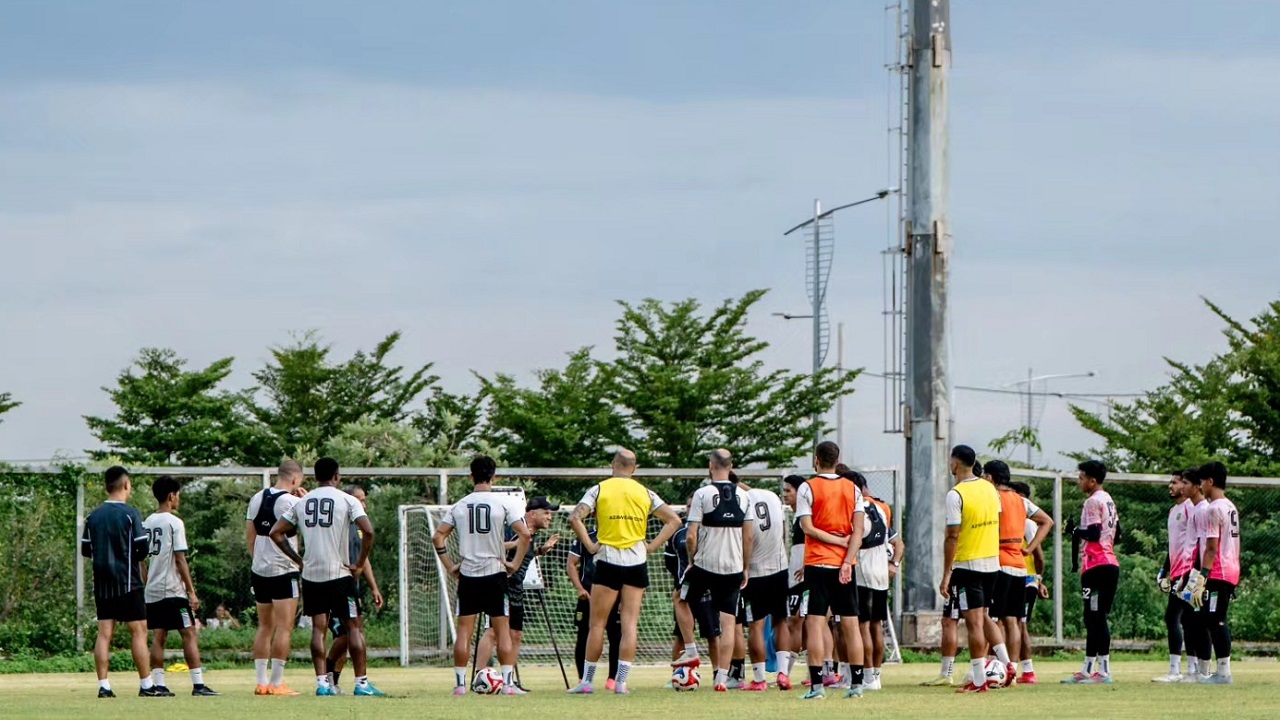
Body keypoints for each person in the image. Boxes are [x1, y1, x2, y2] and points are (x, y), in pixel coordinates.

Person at [567, 449, 682, 695]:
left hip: (608, 559)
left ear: (613, 464)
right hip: (636, 562)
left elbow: (575, 517)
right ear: (634, 468)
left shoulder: (600, 489)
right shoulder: (645, 492)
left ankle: (587, 682)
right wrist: (651, 546)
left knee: (596, 624)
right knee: (629, 624)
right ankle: (621, 683)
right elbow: (674, 520)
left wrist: (589, 545)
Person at [270, 457, 383, 697]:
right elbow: (369, 531)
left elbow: (276, 532)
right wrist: (359, 563)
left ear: (315, 476)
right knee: (353, 627)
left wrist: (299, 560)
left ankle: (322, 683)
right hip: (341, 572)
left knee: (318, 629)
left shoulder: (302, 502)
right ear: (337, 476)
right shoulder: (348, 500)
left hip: (312, 575)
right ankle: (362, 684)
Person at [432, 455, 531, 696]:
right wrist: (514, 564)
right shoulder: (504, 504)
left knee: (464, 630)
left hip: (468, 574)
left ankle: (459, 685)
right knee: (502, 629)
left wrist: (449, 565)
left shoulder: (460, 505)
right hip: (495, 573)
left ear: (471, 477)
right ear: (494, 477)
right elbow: (525, 535)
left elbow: (438, 537)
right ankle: (507, 684)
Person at [81, 466, 159, 698]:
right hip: (128, 582)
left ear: (106, 486)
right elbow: (142, 549)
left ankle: (104, 686)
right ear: (126, 485)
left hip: (103, 584)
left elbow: (86, 549)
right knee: (139, 631)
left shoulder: (93, 516)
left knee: (104, 633)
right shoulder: (130, 513)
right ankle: (146, 685)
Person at [796, 441, 865, 700]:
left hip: (818, 562)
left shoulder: (808, 487)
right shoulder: (852, 488)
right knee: (850, 624)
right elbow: (857, 531)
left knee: (815, 622)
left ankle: (816, 687)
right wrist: (847, 559)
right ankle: (857, 685)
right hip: (845, 565)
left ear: (816, 460)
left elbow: (808, 528)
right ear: (837, 459)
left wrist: (834, 543)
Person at [681, 450, 753, 692]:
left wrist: (692, 559)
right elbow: (748, 536)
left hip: (704, 565)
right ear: (731, 466)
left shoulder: (702, 494)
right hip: (733, 568)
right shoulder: (744, 496)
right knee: (729, 621)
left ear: (711, 465)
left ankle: (691, 651)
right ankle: (722, 679)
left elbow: (691, 535)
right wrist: (745, 567)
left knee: (680, 600)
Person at [475, 496, 561, 691]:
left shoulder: (532, 535)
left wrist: (540, 550)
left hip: (516, 588)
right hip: (500, 586)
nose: (550, 517)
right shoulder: (515, 530)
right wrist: (514, 545)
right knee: (493, 632)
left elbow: (523, 554)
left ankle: (509, 681)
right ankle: (479, 677)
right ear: (532, 513)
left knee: (516, 634)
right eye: (546, 513)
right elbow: (491, 548)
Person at [142, 476, 218, 696]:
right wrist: (191, 591)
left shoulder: (147, 522)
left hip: (153, 590)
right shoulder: (175, 523)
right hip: (173, 590)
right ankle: (198, 684)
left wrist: (148, 582)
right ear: (171, 496)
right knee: (189, 633)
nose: (179, 500)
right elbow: (180, 558)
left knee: (159, 636)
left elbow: (139, 560)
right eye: (178, 495)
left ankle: (159, 684)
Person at [939, 445, 1001, 694]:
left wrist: (946, 574)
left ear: (955, 464)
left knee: (973, 624)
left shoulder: (956, 494)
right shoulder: (989, 488)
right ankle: (1001, 666)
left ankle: (978, 680)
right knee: (983, 618)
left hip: (968, 564)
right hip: (992, 563)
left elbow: (952, 536)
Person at [985, 460, 1052, 686]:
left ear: (991, 478)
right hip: (1019, 564)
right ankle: (1011, 670)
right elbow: (1047, 521)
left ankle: (987, 664)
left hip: (998, 561)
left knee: (990, 617)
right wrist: (1029, 549)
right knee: (1013, 619)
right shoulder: (1021, 501)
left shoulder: (993, 498)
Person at [245, 460, 306, 695]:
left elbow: (250, 534)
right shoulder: (292, 502)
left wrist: (256, 560)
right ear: (294, 480)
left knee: (264, 626)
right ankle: (277, 682)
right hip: (284, 570)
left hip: (259, 570)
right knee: (284, 627)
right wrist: (305, 499)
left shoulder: (257, 497)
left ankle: (261, 682)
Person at [1062, 460, 1120, 685]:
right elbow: (1118, 534)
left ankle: (1103, 671)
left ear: (1092, 481)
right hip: (1105, 564)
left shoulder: (1093, 502)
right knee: (1092, 617)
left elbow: (1094, 533)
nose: (1080, 482)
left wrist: (1075, 530)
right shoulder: (1109, 500)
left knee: (1097, 617)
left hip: (1098, 565)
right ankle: (1087, 669)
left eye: (1082, 478)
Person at [845, 470, 904, 692]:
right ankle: (876, 675)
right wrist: (894, 564)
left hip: (864, 573)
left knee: (862, 626)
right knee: (876, 626)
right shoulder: (879, 508)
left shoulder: (857, 510)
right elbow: (898, 542)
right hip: (880, 573)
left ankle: (868, 675)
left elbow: (856, 539)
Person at [325, 486, 385, 694]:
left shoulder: (358, 526)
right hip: (334, 585)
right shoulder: (337, 523)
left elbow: (363, 559)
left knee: (351, 635)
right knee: (344, 636)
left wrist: (374, 587)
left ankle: (333, 681)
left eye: (364, 500)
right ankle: (328, 676)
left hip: (352, 588)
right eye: (360, 500)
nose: (364, 504)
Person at [734, 473, 790, 692]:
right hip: (779, 567)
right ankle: (783, 673)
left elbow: (746, 538)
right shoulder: (771, 497)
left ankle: (759, 679)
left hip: (755, 571)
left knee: (756, 625)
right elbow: (784, 532)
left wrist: (744, 566)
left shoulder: (741, 502)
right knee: (781, 621)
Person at [1194, 461, 1240, 685]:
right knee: (1210, 618)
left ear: (1210, 482)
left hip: (1218, 571)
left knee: (1215, 620)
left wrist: (1201, 577)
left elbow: (1211, 547)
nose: (1200, 486)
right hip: (1231, 569)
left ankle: (1223, 673)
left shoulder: (1213, 509)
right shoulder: (1230, 506)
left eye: (1202, 481)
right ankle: (1219, 671)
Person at [1152, 470, 1198, 683]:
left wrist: (1193, 572)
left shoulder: (1191, 508)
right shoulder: (1173, 511)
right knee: (1178, 618)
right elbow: (1174, 545)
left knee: (1181, 618)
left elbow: (1195, 541)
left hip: (1188, 571)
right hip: (1177, 571)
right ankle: (1186, 669)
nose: (1170, 486)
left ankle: (1182, 669)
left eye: (1175, 482)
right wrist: (1164, 570)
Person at [569, 528, 622, 688]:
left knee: (616, 636)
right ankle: (583, 678)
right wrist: (579, 588)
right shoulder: (585, 536)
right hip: (589, 594)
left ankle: (613, 679)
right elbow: (571, 563)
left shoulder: (619, 534)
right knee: (584, 635)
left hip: (614, 593)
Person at [1009, 481, 1049, 684]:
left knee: (1019, 624)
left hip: (1025, 579)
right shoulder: (1015, 521)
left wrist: (1038, 580)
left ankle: (1025, 670)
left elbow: (1040, 557)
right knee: (1014, 622)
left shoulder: (1028, 523)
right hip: (1018, 577)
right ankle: (1018, 669)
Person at [1182, 468, 1213, 681]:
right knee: (1188, 619)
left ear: (1196, 486)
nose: (1182, 487)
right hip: (1189, 570)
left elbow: (1204, 545)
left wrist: (1196, 576)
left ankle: (1204, 668)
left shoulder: (1203, 510)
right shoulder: (1193, 509)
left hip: (1197, 572)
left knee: (1197, 620)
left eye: (1186, 482)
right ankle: (1195, 668)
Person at [778, 475, 808, 688]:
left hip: (802, 575)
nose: (785, 494)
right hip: (798, 572)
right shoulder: (798, 514)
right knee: (807, 624)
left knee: (794, 622)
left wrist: (806, 564)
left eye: (789, 490)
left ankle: (785, 673)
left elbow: (813, 540)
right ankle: (819, 672)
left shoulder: (807, 515)